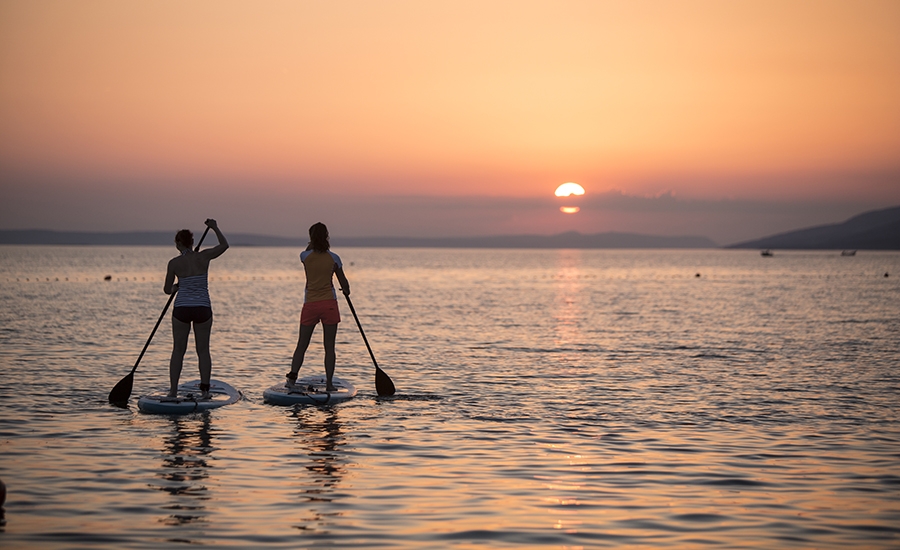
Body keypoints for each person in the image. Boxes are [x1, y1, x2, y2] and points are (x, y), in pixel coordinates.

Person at [163, 219, 229, 398]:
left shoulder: (174, 263)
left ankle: (173, 391)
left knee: (178, 350)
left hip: (182, 309)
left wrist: (177, 287)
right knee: (203, 351)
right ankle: (205, 391)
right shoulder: (203, 256)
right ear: (192, 243)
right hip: (202, 308)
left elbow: (167, 289)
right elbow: (224, 245)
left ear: (178, 244)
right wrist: (215, 227)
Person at [286, 222, 350, 392]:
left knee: (302, 344)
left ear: (311, 238)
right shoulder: (334, 258)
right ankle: (329, 384)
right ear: (327, 237)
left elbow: (309, 250)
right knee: (329, 347)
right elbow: (344, 283)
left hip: (310, 305)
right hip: (329, 304)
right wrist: (346, 290)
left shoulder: (304, 256)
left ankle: (291, 380)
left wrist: (313, 242)